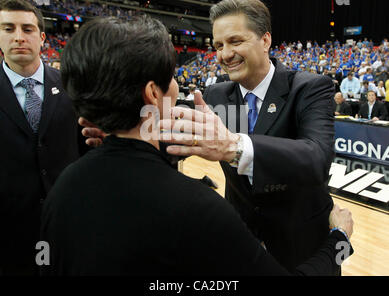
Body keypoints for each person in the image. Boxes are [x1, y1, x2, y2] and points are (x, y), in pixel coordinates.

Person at [42, 16, 354, 276]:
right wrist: (339, 240)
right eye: (218, 45)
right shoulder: (199, 203)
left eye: (235, 41)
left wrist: (116, 130)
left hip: (290, 242)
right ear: (153, 93)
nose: (224, 54)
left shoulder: (64, 186)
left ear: (265, 40)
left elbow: (316, 157)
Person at [0, 0, 87, 275]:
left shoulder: (72, 86)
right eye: (8, 28)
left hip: (66, 221)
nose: (18, 37)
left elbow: (86, 148)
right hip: (7, 230)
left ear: (42, 37)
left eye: (27, 29)